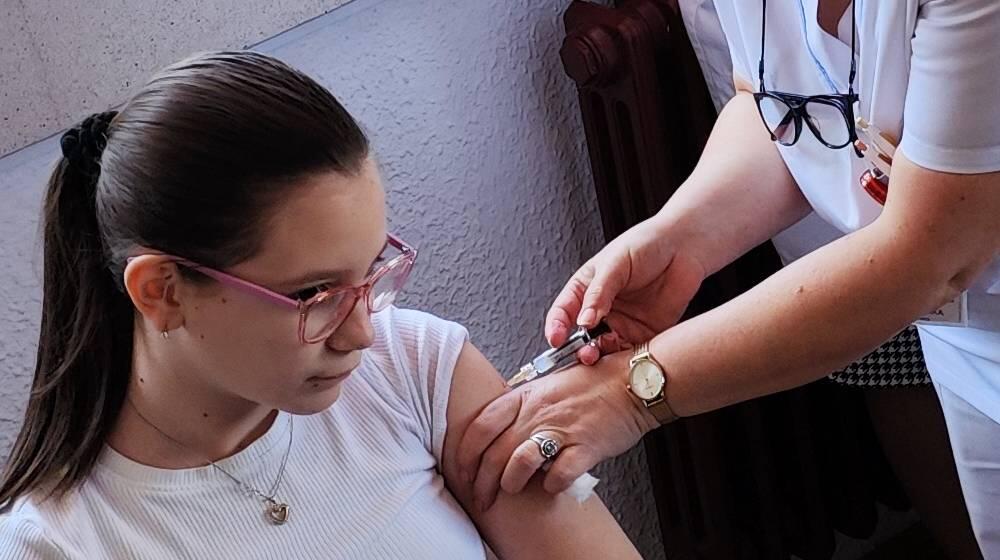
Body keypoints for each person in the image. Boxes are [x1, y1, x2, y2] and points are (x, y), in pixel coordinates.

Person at [0, 51, 641, 560]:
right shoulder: (56, 544)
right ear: (162, 291)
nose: (362, 333)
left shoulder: (415, 366)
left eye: (371, 273)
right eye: (313, 294)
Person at [457, 0, 1000, 555]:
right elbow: (775, 102)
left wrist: (634, 393)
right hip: (965, 345)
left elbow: (936, 253)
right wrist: (679, 238)